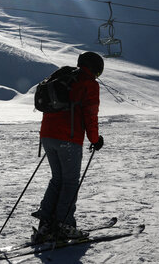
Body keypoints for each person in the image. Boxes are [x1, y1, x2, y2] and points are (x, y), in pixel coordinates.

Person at [31, 51, 105, 242]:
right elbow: (90, 115)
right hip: (68, 138)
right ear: (95, 69)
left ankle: (46, 224)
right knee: (70, 182)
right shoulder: (88, 83)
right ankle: (64, 225)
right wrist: (95, 139)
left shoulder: (63, 76)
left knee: (57, 179)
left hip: (47, 135)